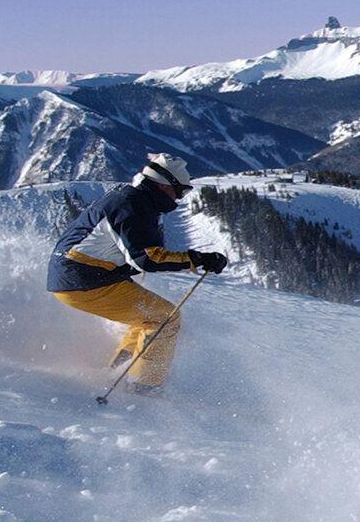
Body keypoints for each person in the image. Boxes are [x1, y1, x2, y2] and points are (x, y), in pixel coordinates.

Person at [48, 154, 229, 395]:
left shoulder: (133, 199)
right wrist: (199, 259)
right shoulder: (132, 207)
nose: (179, 198)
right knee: (165, 319)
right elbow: (148, 259)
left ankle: (118, 371)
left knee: (144, 320)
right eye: (180, 191)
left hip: (80, 276)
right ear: (165, 185)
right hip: (84, 280)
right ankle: (145, 387)